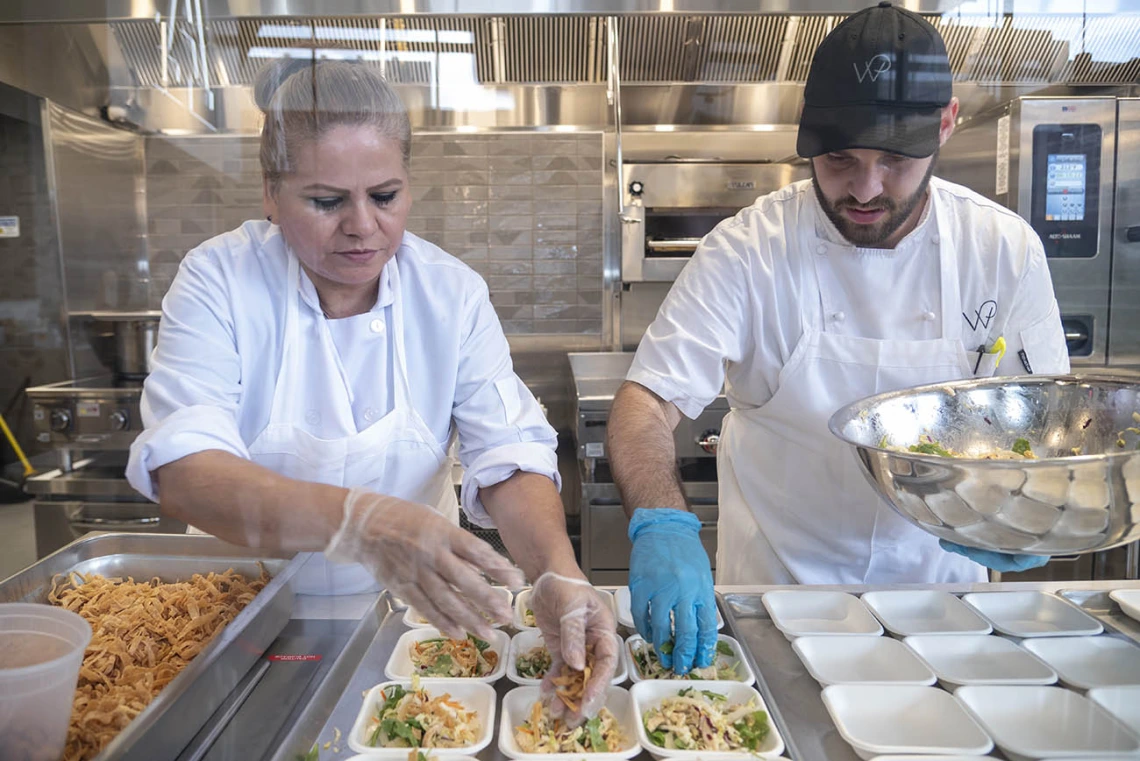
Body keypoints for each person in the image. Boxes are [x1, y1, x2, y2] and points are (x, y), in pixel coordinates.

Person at [125, 58, 615, 719]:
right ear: (270, 193)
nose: (362, 225)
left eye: (384, 196)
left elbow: (509, 452)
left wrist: (557, 568)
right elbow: (185, 468)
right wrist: (363, 523)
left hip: (416, 628)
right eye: (326, 201)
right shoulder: (221, 280)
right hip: (240, 622)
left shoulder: (450, 295)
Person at [606, 0, 1070, 675]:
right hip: (776, 607)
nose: (865, 188)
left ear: (946, 125)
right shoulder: (750, 250)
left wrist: (1032, 504)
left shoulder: (1001, 250)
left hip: (942, 613)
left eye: (894, 159)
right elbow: (645, 404)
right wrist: (662, 521)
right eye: (840, 158)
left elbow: (1046, 421)